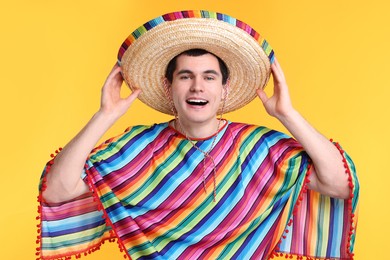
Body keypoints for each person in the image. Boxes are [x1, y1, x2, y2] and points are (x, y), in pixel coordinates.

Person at [36, 10, 359, 260]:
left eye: (209, 76)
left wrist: (287, 114)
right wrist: (105, 115)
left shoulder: (259, 147)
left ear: (223, 89)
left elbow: (339, 184)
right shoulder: (136, 148)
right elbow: (57, 191)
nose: (197, 86)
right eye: (185, 76)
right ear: (169, 87)